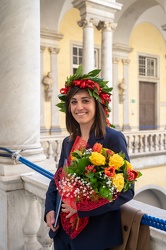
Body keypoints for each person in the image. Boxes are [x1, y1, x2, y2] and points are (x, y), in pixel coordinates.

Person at [44, 65, 134, 250]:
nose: (79, 107)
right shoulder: (68, 142)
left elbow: (126, 191)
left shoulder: (113, 138)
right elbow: (58, 180)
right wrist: (49, 208)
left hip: (94, 238)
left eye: (85, 101)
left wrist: (82, 208)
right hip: (62, 234)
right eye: (74, 102)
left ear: (97, 104)